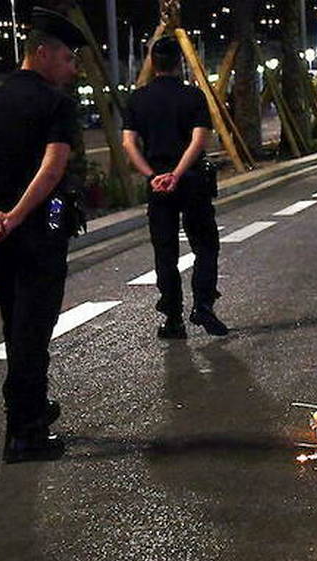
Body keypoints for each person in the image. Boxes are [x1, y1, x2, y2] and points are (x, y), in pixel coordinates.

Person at [0, 8, 84, 463]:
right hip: (42, 225)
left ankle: (32, 408)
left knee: (14, 320)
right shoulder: (57, 104)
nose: (72, 67)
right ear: (42, 53)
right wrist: (18, 216)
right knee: (33, 329)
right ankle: (25, 432)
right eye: (67, 58)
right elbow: (53, 167)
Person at [122, 37, 228, 339]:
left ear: (152, 63)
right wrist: (178, 173)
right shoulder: (193, 97)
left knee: (165, 252)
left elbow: (128, 143)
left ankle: (172, 318)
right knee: (206, 245)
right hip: (192, 181)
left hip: (158, 187)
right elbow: (199, 140)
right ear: (180, 63)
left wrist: (154, 175)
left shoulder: (137, 99)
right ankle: (204, 304)